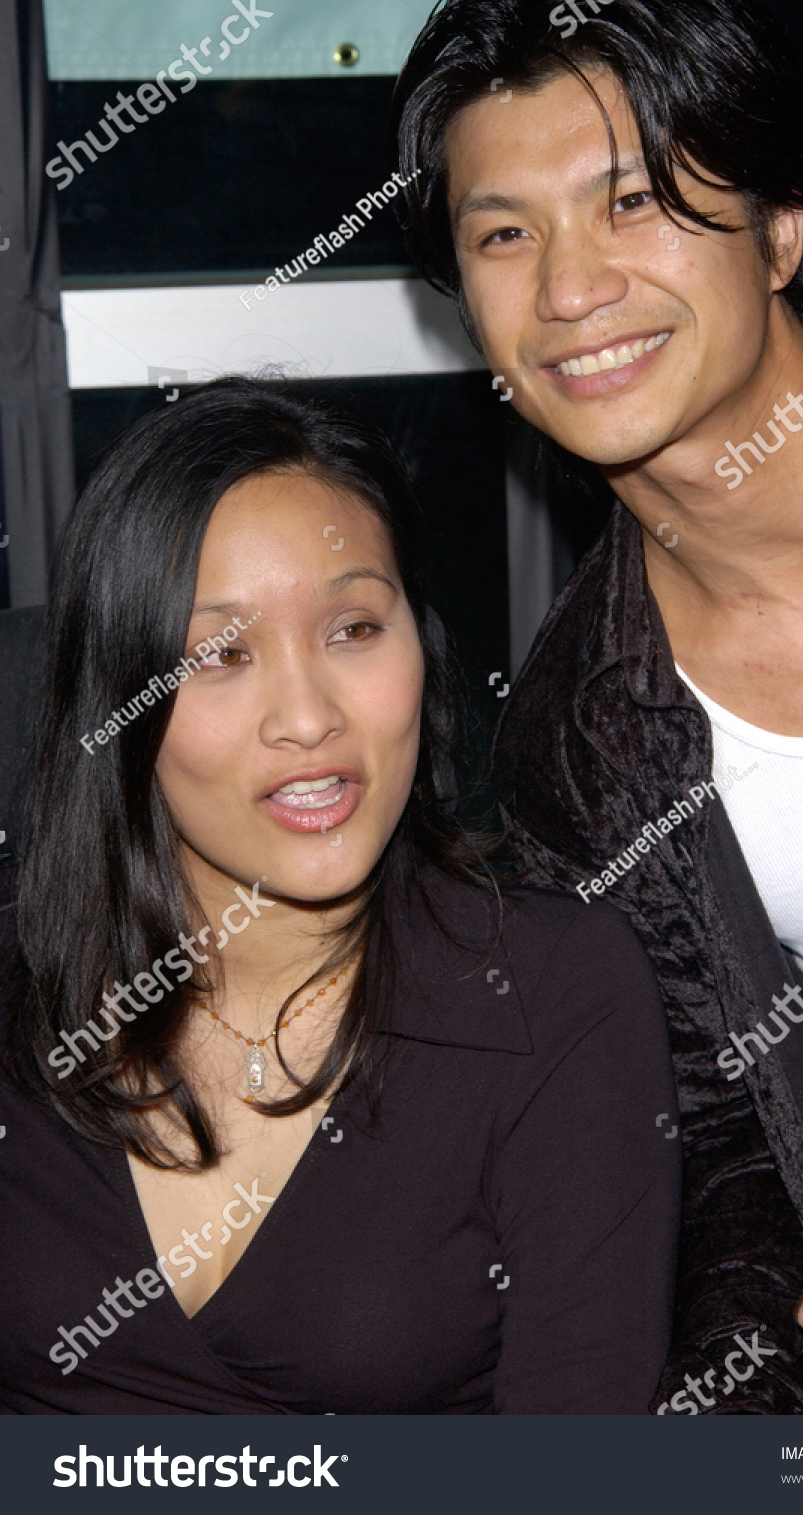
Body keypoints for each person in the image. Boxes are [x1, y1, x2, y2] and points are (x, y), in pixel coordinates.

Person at [392, 0, 803, 1412]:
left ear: (776, 229)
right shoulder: (580, 737)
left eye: (632, 201)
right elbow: (721, 1133)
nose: (573, 288)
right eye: (502, 236)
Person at [0, 379, 679, 1415]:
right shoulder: (20, 994)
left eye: (355, 628)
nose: (309, 716)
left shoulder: (552, 993)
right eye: (221, 653)